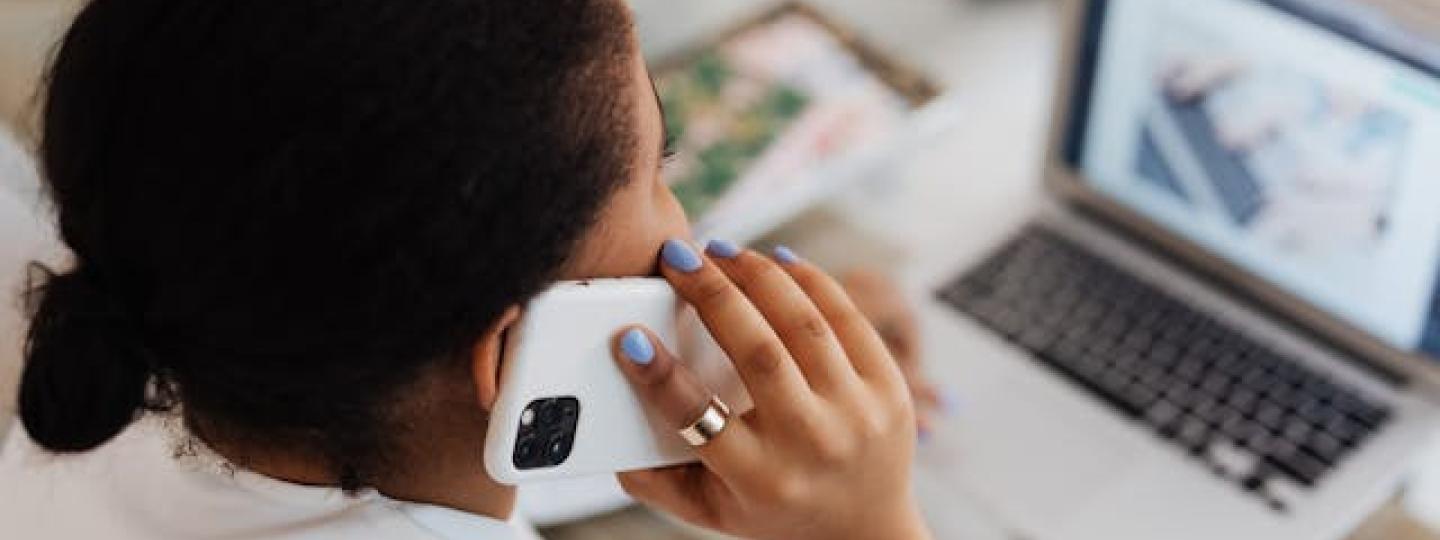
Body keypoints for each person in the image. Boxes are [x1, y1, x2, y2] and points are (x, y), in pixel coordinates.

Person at [0, 1, 935, 538]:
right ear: (508, 356)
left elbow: (433, 432)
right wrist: (866, 525)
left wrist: (713, 407)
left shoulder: (148, 353)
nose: (681, 212)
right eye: (663, 164)